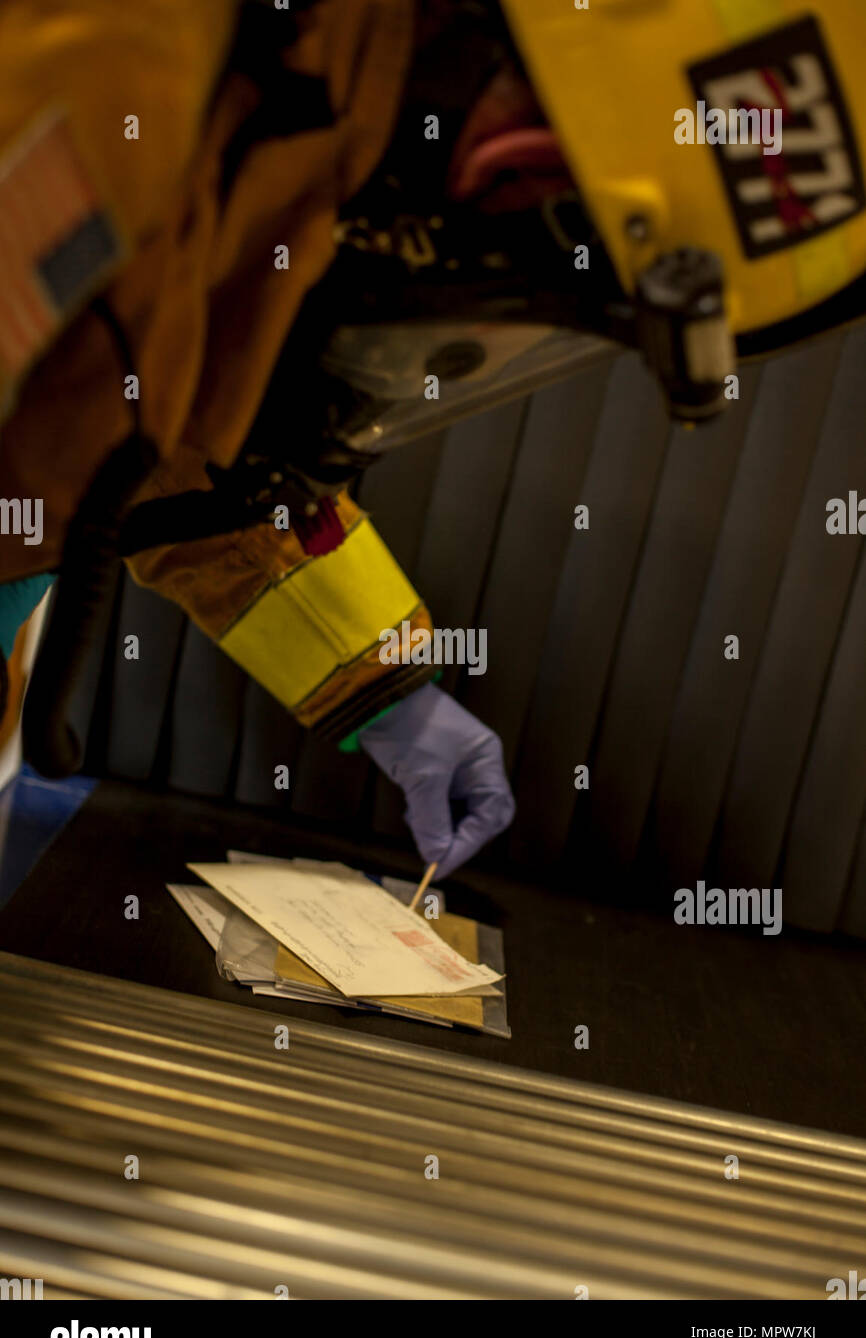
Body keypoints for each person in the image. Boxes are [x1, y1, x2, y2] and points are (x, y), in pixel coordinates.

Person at [0, 0, 864, 879]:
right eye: (526, 202)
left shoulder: (298, 104)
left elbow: (159, 440)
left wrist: (384, 690)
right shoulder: (111, 77)